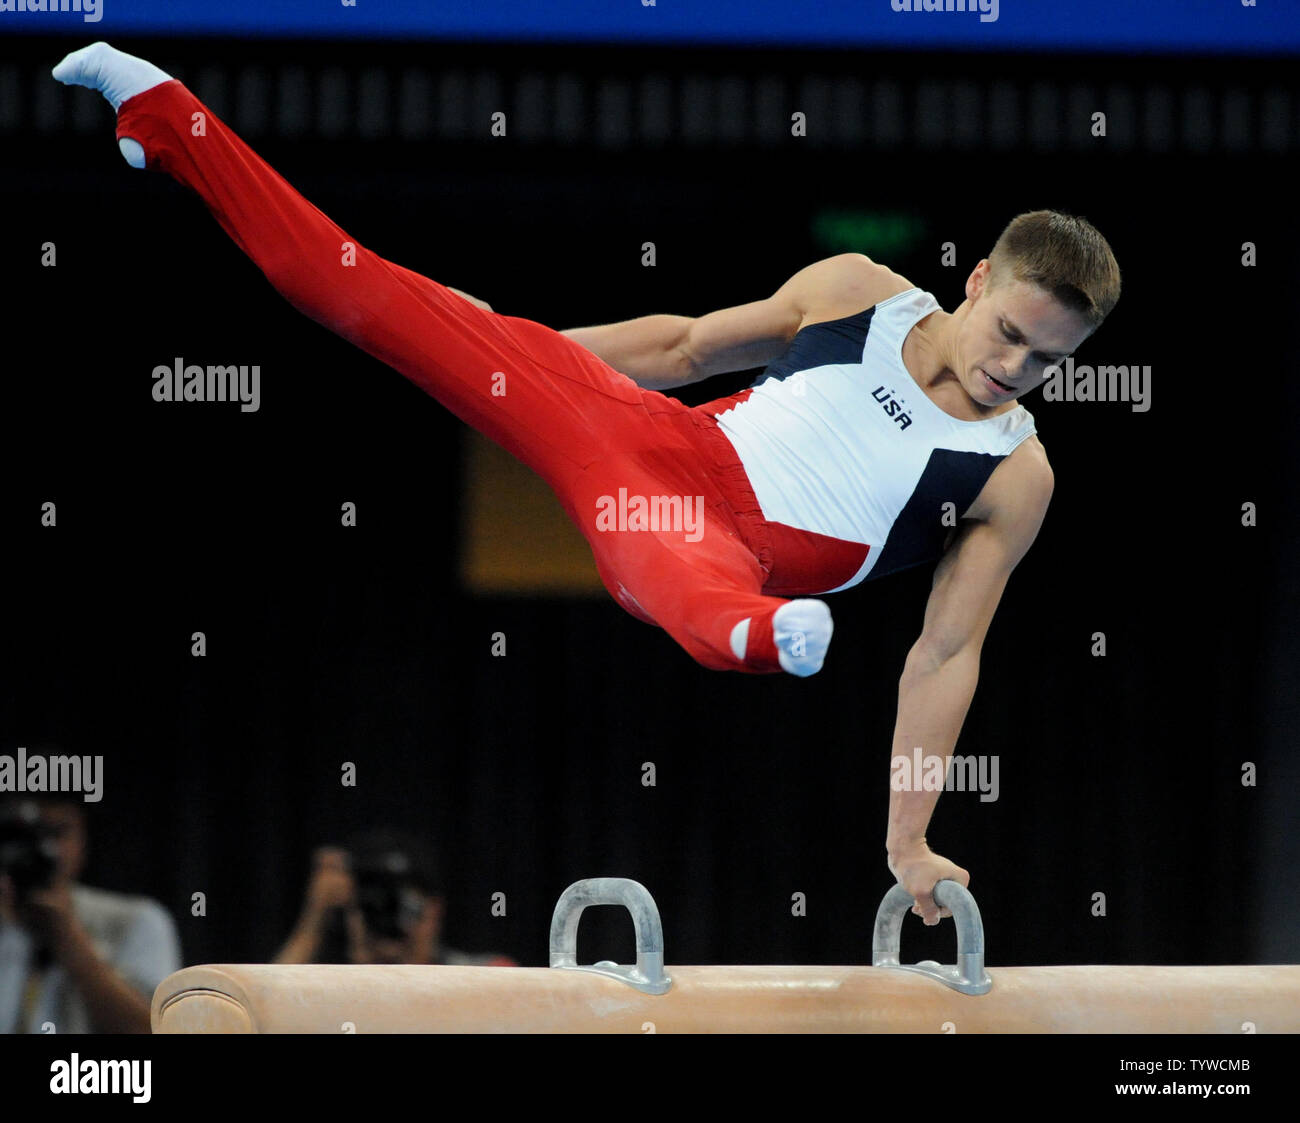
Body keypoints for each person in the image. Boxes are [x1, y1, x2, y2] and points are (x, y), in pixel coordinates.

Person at [51, 43, 1120, 926]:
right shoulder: (859, 293)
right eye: (1011, 334)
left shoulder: (1013, 473)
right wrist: (516, 356)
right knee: (359, 290)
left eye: (1047, 363)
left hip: (728, 550)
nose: (1014, 368)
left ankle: (754, 633)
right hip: (651, 441)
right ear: (978, 279)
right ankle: (170, 118)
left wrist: (907, 838)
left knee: (687, 581)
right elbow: (689, 344)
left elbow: (945, 650)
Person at [0, 793, 182, 1033]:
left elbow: (156, 1029)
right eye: (23, 837)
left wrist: (72, 943)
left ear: (83, 837)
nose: (41, 848)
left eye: (56, 832)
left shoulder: (133, 921)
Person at [274, 831, 514, 966]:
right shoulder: (325, 991)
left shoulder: (485, 975)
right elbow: (259, 1015)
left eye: (404, 905)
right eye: (371, 903)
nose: (386, 914)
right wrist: (314, 920)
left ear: (434, 911)